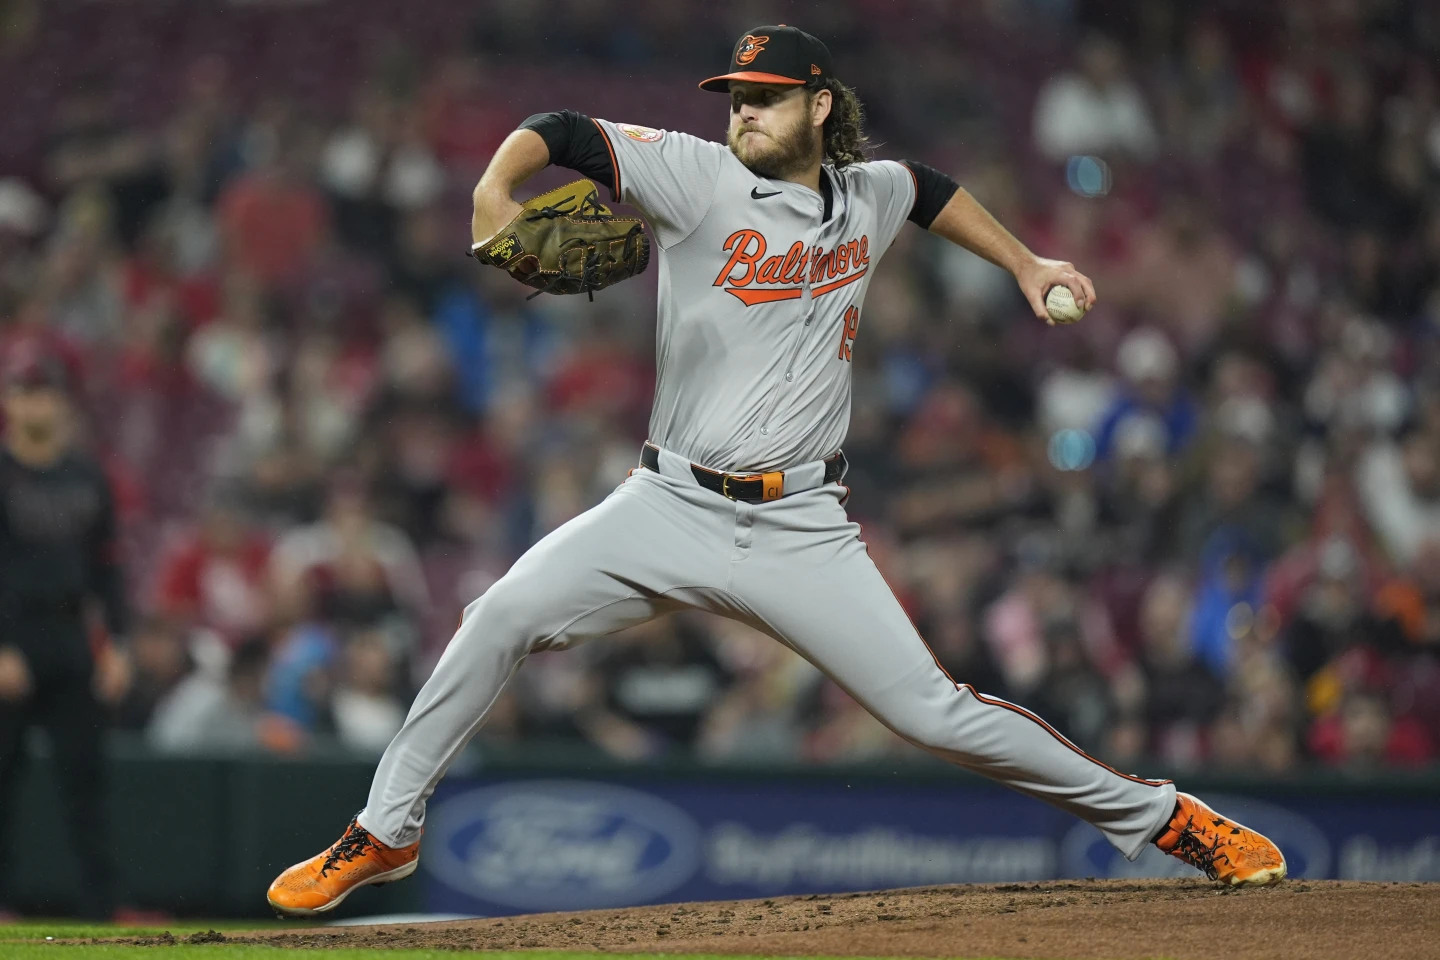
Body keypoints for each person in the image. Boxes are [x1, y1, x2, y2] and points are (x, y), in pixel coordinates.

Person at [268, 25, 1286, 917]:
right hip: (664, 503)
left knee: (935, 713)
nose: (743, 111)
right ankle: (386, 830)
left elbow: (928, 192)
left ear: (820, 106)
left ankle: (1169, 820)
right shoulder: (695, 176)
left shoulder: (869, 196)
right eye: (736, 97)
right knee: (495, 616)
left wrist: (1025, 264)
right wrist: (497, 188)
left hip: (802, 525)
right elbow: (566, 130)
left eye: (764, 97)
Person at [0, 343, 131, 918]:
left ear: (62, 401)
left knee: (87, 779)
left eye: (45, 391)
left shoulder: (86, 474)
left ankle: (102, 907)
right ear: (9, 399)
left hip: (70, 637)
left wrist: (117, 645)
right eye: (26, 390)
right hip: (12, 635)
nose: (36, 403)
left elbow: (107, 567)